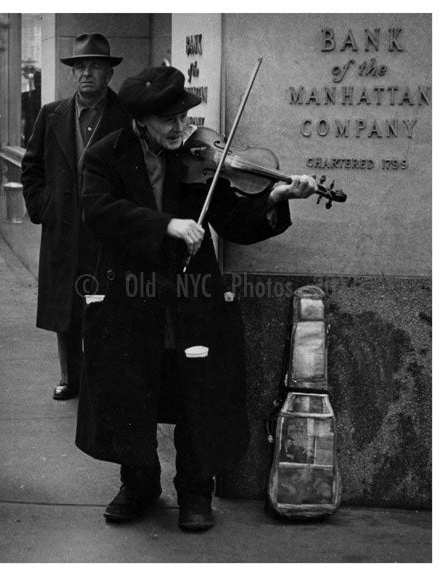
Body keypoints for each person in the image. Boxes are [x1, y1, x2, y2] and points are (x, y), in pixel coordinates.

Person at [75, 65, 317, 531]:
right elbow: (97, 211)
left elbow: (233, 220)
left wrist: (275, 197)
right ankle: (139, 483)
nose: (180, 129)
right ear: (140, 121)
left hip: (192, 295)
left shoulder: (198, 157)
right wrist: (164, 224)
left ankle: (194, 492)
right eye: (168, 121)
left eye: (184, 118)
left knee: (196, 390)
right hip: (132, 295)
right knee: (133, 388)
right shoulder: (107, 154)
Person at [21, 33, 130, 400]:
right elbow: (31, 166)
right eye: (80, 67)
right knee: (66, 308)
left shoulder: (126, 117)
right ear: (71, 74)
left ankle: (102, 380)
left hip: (107, 231)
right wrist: (43, 206)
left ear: (109, 74)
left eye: (95, 67)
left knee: (105, 305)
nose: (86, 74)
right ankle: (71, 378)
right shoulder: (51, 114)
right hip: (63, 229)